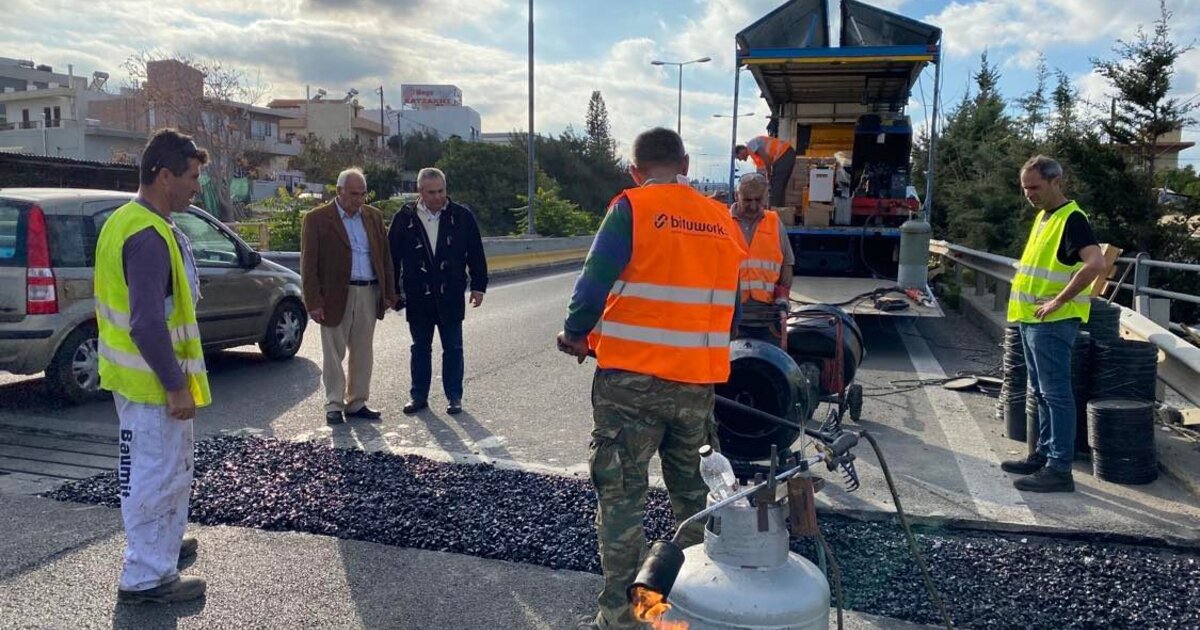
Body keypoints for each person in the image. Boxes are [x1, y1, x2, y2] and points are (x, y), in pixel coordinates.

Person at [556, 127, 746, 630]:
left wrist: (576, 334)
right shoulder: (722, 219)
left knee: (623, 501)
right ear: (685, 164)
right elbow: (734, 308)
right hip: (695, 389)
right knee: (696, 502)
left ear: (634, 170)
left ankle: (626, 617)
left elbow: (593, 283)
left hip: (629, 388)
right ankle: (689, 611)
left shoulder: (631, 208)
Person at [95, 128, 210, 604]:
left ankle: (161, 543)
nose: (196, 187)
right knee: (154, 475)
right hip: (152, 385)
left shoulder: (128, 220)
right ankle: (146, 576)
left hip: (137, 380)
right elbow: (146, 324)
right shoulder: (147, 236)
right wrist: (176, 385)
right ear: (164, 176)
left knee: (165, 471)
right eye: (191, 177)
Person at [1001, 155, 1106, 493]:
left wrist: (1058, 300)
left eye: (1035, 187)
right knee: (1041, 392)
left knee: (1055, 394)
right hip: (1032, 319)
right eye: (1025, 188)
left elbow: (1096, 263)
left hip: (1053, 321)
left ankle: (1059, 468)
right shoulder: (1045, 217)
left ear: (1055, 181)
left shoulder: (1072, 218)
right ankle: (1043, 455)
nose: (1029, 194)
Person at [388, 167, 488, 416]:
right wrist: (392, 291)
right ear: (420, 191)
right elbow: (392, 257)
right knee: (420, 348)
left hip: (450, 294)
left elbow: (475, 253)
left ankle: (454, 396)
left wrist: (478, 286)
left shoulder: (461, 216)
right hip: (418, 295)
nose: (438, 197)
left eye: (441, 191)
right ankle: (418, 396)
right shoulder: (405, 218)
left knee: (453, 348)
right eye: (431, 192)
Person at [301, 168, 396, 425]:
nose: (359, 199)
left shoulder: (373, 216)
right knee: (333, 352)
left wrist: (389, 292)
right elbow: (308, 264)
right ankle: (334, 403)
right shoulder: (317, 218)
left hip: (368, 290)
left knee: (363, 350)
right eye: (354, 194)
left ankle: (357, 402)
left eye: (363, 194)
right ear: (339, 191)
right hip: (334, 294)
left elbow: (384, 256)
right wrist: (313, 301)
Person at [731, 172, 795, 341]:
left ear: (766, 198)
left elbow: (787, 263)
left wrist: (782, 296)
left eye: (758, 200)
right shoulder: (723, 222)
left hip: (767, 317)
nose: (753, 206)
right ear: (737, 196)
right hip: (731, 317)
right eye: (747, 200)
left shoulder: (774, 222)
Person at [734, 135, 797, 207]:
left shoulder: (751, 145)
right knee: (779, 186)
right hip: (784, 155)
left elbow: (766, 159)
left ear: (740, 151)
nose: (740, 160)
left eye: (738, 157)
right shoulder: (753, 153)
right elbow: (763, 166)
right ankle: (779, 209)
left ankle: (773, 209)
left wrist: (769, 174)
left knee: (776, 186)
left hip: (784, 153)